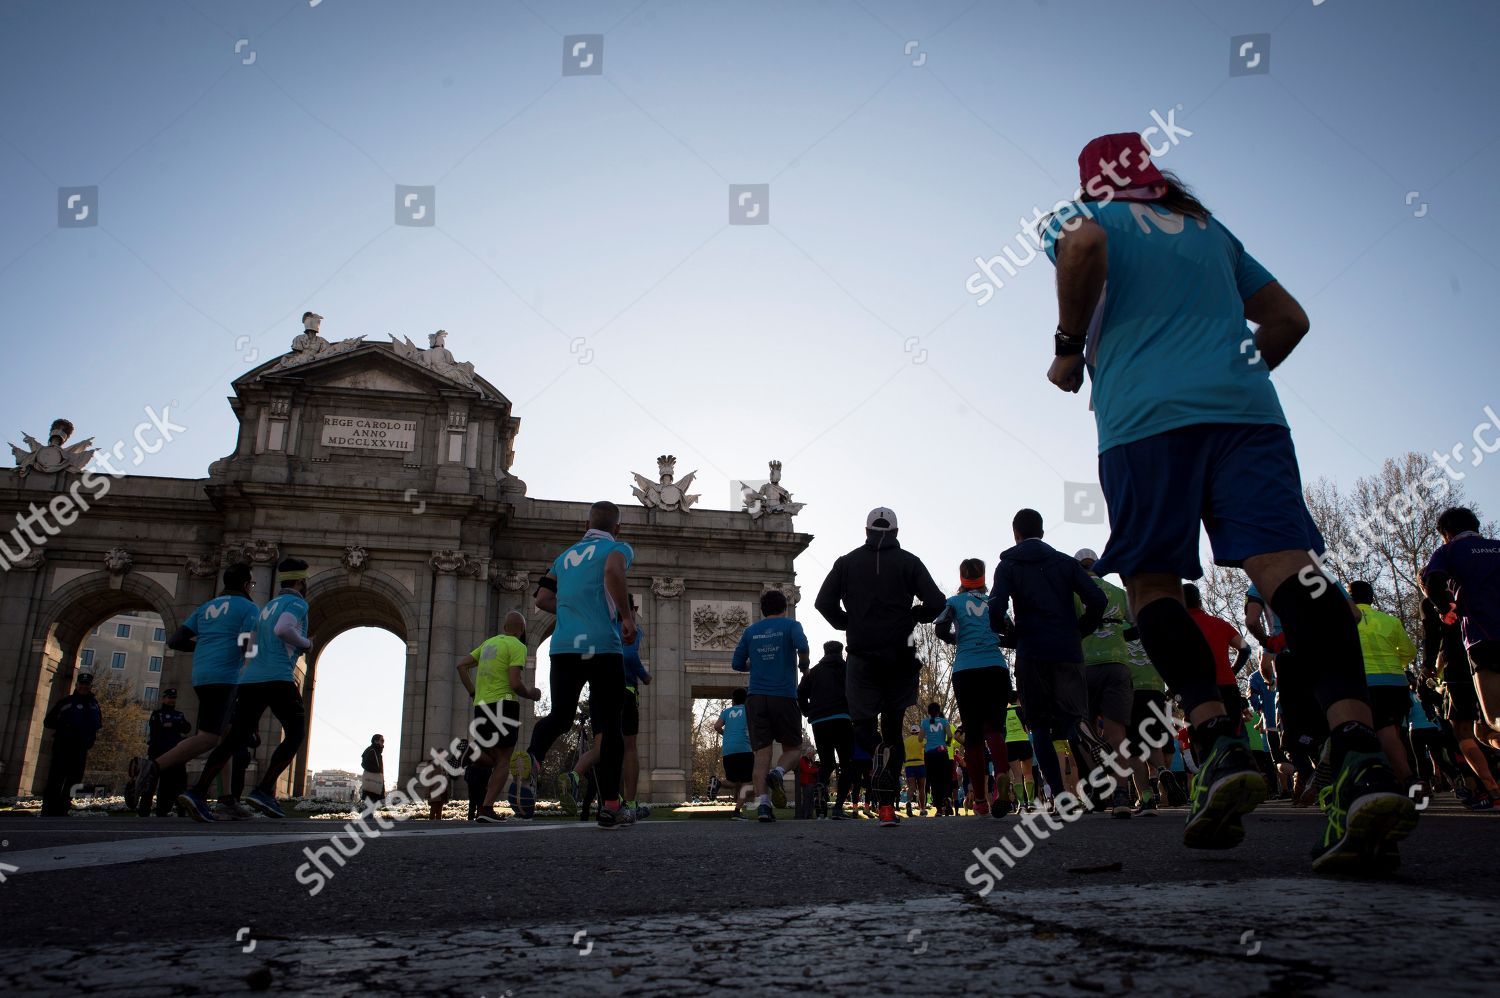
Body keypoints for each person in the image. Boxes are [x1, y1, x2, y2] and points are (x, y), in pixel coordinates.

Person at [1041, 131, 1416, 869]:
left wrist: (1066, 346)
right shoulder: (1210, 230)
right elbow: (1289, 321)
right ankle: (1357, 751)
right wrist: (1237, 374)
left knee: (1153, 584)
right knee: (1292, 573)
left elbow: (1081, 251)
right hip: (1250, 417)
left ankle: (1217, 741)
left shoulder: (1079, 216)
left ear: (1093, 182)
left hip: (1146, 421)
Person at [815, 506, 947, 828]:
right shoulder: (909, 562)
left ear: (866, 531)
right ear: (897, 533)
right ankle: (887, 808)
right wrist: (914, 616)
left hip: (861, 656)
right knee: (893, 727)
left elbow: (822, 602)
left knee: (862, 726)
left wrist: (848, 623)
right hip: (899, 656)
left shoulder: (846, 563)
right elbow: (938, 602)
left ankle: (877, 750)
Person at [525, 502, 637, 829]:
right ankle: (611, 806)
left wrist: (572, 612)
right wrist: (625, 617)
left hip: (564, 647)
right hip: (602, 647)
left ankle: (532, 756)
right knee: (609, 727)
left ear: (586, 523)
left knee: (560, 715)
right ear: (616, 528)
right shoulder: (616, 548)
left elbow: (542, 599)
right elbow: (613, 571)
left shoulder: (565, 557)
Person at [988, 508, 1108, 814]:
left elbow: (996, 608)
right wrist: (1080, 630)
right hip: (1067, 649)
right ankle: (1093, 776)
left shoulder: (1009, 564)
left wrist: (1008, 632)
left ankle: (1060, 796)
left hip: (1032, 651)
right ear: (1042, 531)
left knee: (1039, 726)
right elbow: (1098, 599)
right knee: (1073, 719)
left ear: (1015, 533)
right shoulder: (1064, 562)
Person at [180, 557, 313, 821]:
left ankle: (197, 791)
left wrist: (249, 667)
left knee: (233, 738)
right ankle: (264, 790)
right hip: (277, 677)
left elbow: (250, 643)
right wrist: (306, 644)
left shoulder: (266, 606)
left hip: (251, 680)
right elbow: (283, 628)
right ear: (301, 581)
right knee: (297, 732)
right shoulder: (296, 602)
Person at [147, 565, 259, 807]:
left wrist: (205, 646)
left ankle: (227, 800)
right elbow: (246, 641)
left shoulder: (206, 607)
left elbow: (176, 640)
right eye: (251, 584)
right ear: (245, 584)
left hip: (201, 676)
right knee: (208, 738)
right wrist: (252, 663)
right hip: (226, 678)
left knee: (226, 739)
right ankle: (153, 767)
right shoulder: (248, 607)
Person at [1075, 549, 1152, 817]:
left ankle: (1098, 785)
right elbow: (1138, 625)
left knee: (1083, 729)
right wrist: (1118, 635)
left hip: (1085, 666)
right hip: (1118, 664)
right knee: (1117, 733)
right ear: (1097, 566)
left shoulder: (1074, 592)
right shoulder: (1117, 592)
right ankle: (1122, 794)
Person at [933, 559, 1013, 818]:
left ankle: (979, 799)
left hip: (966, 669)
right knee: (994, 730)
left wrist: (959, 639)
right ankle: (1001, 776)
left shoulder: (953, 603)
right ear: (983, 577)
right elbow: (1011, 635)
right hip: (995, 668)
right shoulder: (995, 602)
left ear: (962, 578)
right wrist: (991, 639)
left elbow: (940, 628)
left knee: (974, 737)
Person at [732, 588, 810, 823]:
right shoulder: (791, 625)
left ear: (763, 610)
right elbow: (802, 645)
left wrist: (755, 665)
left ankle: (764, 806)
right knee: (794, 749)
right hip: (783, 696)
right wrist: (804, 665)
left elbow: (737, 664)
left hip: (755, 698)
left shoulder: (750, 631)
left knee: (761, 755)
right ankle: (777, 774)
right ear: (784, 608)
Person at [457, 610, 542, 823]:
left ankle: (472, 753)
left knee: (494, 758)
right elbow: (515, 683)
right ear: (521, 630)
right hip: (505, 706)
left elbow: (461, 666)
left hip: (482, 706)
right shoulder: (518, 646)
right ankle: (486, 808)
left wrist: (472, 692)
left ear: (504, 628)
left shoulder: (488, 644)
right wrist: (531, 693)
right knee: (504, 760)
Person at [1423, 508, 1500, 737]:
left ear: (1446, 533)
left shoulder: (1449, 550)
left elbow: (1432, 582)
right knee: (1484, 735)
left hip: (1483, 636)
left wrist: (1444, 609)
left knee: (1494, 717)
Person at [1349, 581, 1419, 785]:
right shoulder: (1390, 620)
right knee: (1395, 733)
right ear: (1372, 598)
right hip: (1397, 683)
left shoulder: (1345, 621)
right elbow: (1409, 652)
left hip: (1368, 683)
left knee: (1382, 733)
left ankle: (1407, 779)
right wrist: (1394, 663)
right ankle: (1405, 779)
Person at [798, 640, 856, 820]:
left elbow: (800, 694)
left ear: (824, 652)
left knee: (827, 761)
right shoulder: (847, 669)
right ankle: (838, 807)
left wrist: (809, 711)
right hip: (841, 717)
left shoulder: (813, 673)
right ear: (840, 653)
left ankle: (821, 784)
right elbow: (858, 691)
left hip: (819, 720)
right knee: (847, 764)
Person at [40, 672, 102, 817]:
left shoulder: (94, 705)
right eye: (81, 684)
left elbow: (98, 724)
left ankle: (63, 808)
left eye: (86, 684)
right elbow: (48, 721)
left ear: (90, 686)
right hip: (63, 746)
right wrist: (66, 727)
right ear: (77, 685)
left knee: (74, 780)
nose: (83, 687)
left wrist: (90, 739)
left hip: (81, 748)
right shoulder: (66, 702)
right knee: (56, 778)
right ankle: (48, 809)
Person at [137, 688, 192, 817]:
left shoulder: (179, 714)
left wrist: (172, 726)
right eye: (169, 697)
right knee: (151, 783)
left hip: (174, 753)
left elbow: (186, 728)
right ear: (164, 698)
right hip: (158, 753)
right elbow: (157, 730)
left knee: (170, 784)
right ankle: (144, 810)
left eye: (173, 698)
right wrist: (174, 726)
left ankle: (164, 810)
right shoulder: (157, 714)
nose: (171, 700)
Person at [714, 689, 753, 818]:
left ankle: (718, 783)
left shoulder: (726, 712)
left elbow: (717, 726)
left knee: (734, 781)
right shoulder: (748, 711)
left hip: (728, 751)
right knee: (748, 782)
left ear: (733, 700)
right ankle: (737, 811)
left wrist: (725, 734)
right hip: (744, 749)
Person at [919, 704, 953, 816]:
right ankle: (946, 797)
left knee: (933, 780)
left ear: (928, 712)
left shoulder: (924, 722)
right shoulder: (944, 721)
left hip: (930, 754)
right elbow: (950, 735)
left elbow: (920, 738)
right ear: (939, 711)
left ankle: (938, 808)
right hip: (942, 753)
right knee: (944, 777)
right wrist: (947, 742)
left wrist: (927, 741)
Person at [1004, 693, 1035, 813]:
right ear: (1018, 699)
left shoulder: (1004, 712)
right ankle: (1031, 803)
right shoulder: (1022, 710)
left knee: (1017, 776)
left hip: (1010, 744)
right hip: (1023, 741)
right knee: (1028, 774)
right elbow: (1028, 728)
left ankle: (1021, 805)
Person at [902, 723, 926, 817]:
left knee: (911, 787)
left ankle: (908, 802)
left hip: (909, 765)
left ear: (911, 732)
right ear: (919, 732)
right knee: (921, 789)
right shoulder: (923, 740)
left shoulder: (906, 741)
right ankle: (922, 809)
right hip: (920, 764)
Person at [360, 734, 385, 807]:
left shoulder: (376, 751)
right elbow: (364, 764)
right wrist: (377, 771)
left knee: (371, 808)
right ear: (376, 741)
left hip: (374, 783)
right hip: (372, 783)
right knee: (370, 807)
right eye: (382, 740)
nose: (383, 742)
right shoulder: (372, 750)